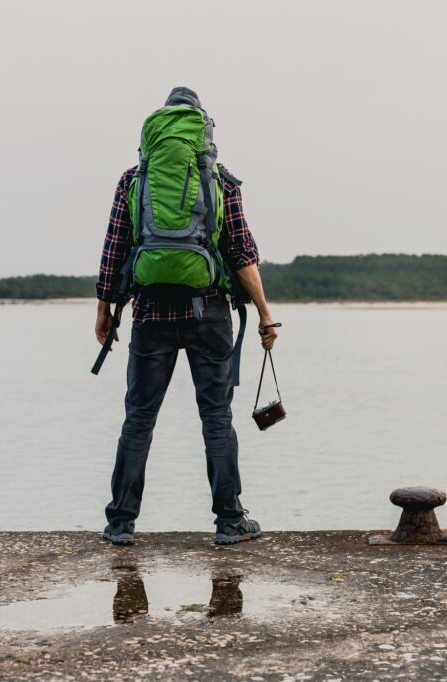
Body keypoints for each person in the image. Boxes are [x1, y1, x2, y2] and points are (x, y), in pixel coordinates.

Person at [95, 87, 278, 546]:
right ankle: (229, 522)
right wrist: (265, 315)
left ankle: (121, 524)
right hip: (208, 311)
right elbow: (241, 253)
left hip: (150, 313)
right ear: (203, 131)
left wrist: (105, 310)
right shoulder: (219, 181)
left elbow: (115, 247)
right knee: (216, 416)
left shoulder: (133, 180)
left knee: (139, 418)